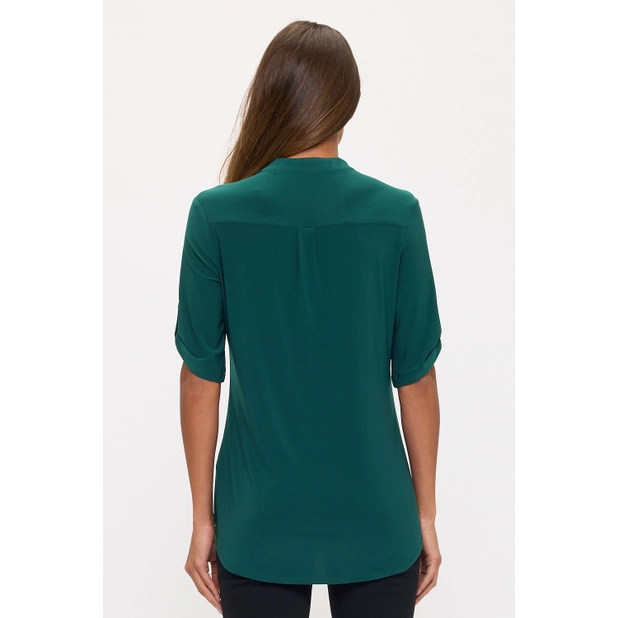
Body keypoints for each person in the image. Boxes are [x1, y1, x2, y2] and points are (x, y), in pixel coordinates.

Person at [174, 20, 443, 618]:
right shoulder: (396, 215)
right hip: (378, 516)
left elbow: (199, 378)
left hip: (256, 519)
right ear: (348, 102)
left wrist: (202, 519)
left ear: (269, 97)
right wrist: (424, 514)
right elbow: (418, 379)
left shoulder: (215, 215)